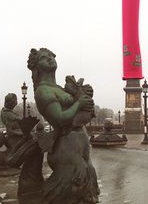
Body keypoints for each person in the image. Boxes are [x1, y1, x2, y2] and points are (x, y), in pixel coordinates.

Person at [27, 48, 99, 203]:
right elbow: (60, 119)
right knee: (73, 183)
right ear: (37, 68)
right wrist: (79, 103)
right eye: (44, 58)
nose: (50, 59)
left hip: (79, 138)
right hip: (66, 144)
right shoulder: (42, 91)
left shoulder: (58, 88)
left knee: (88, 176)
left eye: (51, 56)